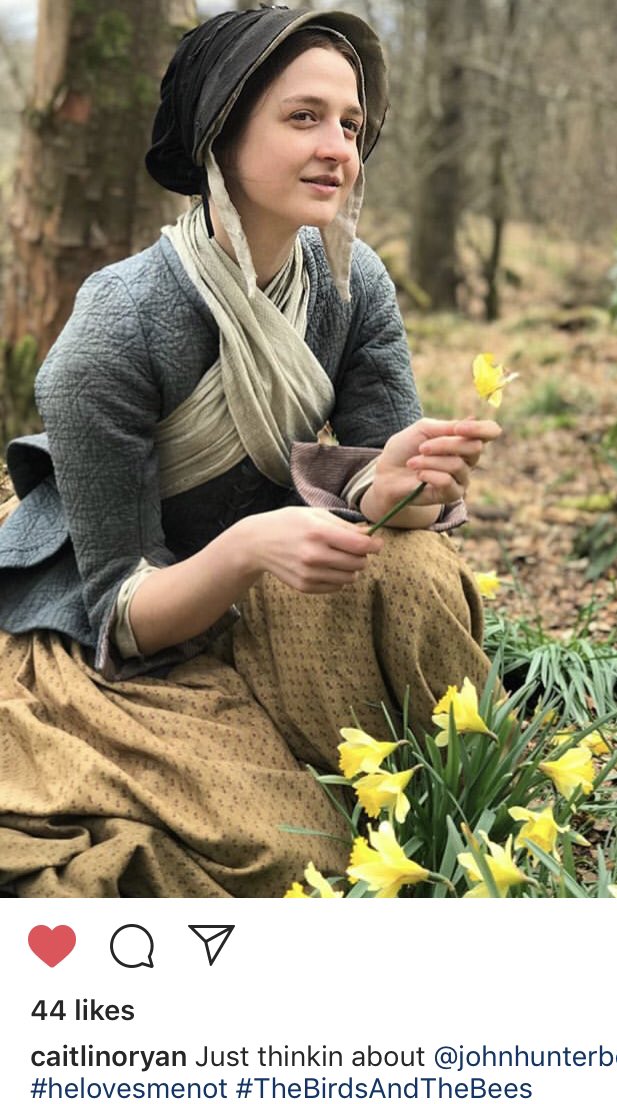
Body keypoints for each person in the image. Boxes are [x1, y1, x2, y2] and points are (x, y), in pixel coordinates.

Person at [0, 6, 499, 898]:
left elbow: (390, 501)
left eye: (350, 124)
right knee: (291, 852)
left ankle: (456, 806)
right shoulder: (118, 325)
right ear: (219, 135)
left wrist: (401, 484)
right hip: (134, 635)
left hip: (269, 584)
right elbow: (121, 613)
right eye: (303, 117)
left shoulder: (353, 282)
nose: (338, 148)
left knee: (418, 567)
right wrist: (246, 549)